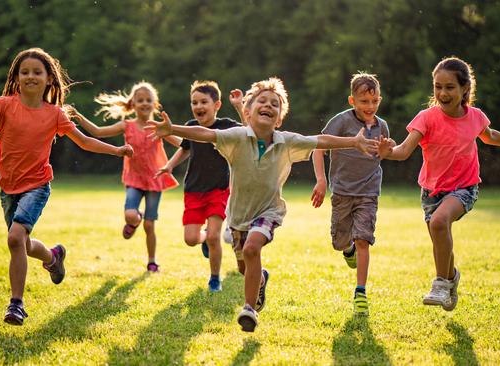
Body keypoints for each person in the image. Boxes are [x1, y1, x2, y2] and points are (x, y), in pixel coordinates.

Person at [146, 77, 379, 332]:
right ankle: (260, 279)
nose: (268, 105)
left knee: (251, 248)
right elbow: (205, 133)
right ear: (247, 112)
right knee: (244, 266)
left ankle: (249, 309)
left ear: (278, 119)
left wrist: (353, 142)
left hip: (269, 211)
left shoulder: (286, 141)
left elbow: (320, 140)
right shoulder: (236, 137)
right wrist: (173, 130)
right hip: (238, 216)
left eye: (275, 104)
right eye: (262, 101)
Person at [0, 47, 133, 326]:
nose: (30, 76)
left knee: (14, 238)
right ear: (16, 77)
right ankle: (53, 256)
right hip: (9, 187)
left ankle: (16, 305)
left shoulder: (54, 114)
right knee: (22, 242)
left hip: (37, 184)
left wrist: (116, 151)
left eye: (37, 72)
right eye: (25, 72)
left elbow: (84, 141)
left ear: (49, 79)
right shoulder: (4, 105)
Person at [378, 56, 500, 311]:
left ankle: (441, 283)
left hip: (464, 188)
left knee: (439, 222)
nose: (442, 93)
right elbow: (403, 151)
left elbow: (490, 137)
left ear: (465, 88)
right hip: (432, 191)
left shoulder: (475, 117)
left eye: (449, 87)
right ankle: (451, 278)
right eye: (437, 87)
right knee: (440, 237)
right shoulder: (426, 118)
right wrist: (386, 151)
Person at [66, 82, 181, 273]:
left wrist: (175, 132)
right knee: (130, 214)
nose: (144, 103)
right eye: (140, 100)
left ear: (155, 104)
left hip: (155, 179)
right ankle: (134, 220)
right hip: (134, 179)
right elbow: (98, 132)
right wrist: (78, 117)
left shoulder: (158, 127)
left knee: (150, 225)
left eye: (148, 100)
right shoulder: (126, 126)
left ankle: (152, 261)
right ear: (133, 104)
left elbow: (181, 144)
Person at [311, 72, 391, 315]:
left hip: (368, 192)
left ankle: (360, 292)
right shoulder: (342, 122)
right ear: (352, 101)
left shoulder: (381, 126)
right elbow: (318, 147)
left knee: (363, 239)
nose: (370, 106)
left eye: (375, 101)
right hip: (342, 192)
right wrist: (322, 181)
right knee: (340, 242)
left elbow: (383, 155)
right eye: (364, 101)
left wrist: (387, 151)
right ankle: (348, 251)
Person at [156, 80, 244, 292]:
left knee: (215, 236)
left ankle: (215, 278)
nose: (198, 106)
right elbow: (185, 149)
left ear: (217, 105)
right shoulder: (190, 127)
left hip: (219, 189)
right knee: (190, 239)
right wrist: (168, 166)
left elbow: (249, 132)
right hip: (193, 190)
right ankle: (204, 240)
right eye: (194, 102)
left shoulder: (225, 126)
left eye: (203, 102)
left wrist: (240, 107)